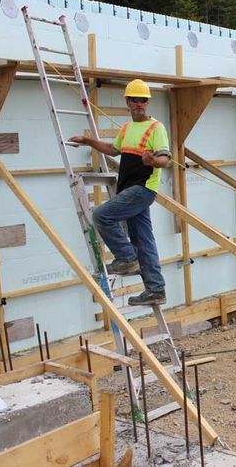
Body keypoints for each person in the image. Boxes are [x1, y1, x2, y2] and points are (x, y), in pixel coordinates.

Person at [70, 79, 171, 306]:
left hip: (143, 189)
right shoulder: (127, 129)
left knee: (101, 215)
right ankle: (156, 289)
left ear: (148, 103)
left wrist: (153, 159)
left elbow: (165, 159)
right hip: (129, 189)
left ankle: (126, 258)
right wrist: (87, 140)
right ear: (127, 101)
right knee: (143, 240)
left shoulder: (157, 128)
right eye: (134, 99)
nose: (139, 104)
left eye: (143, 100)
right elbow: (113, 150)